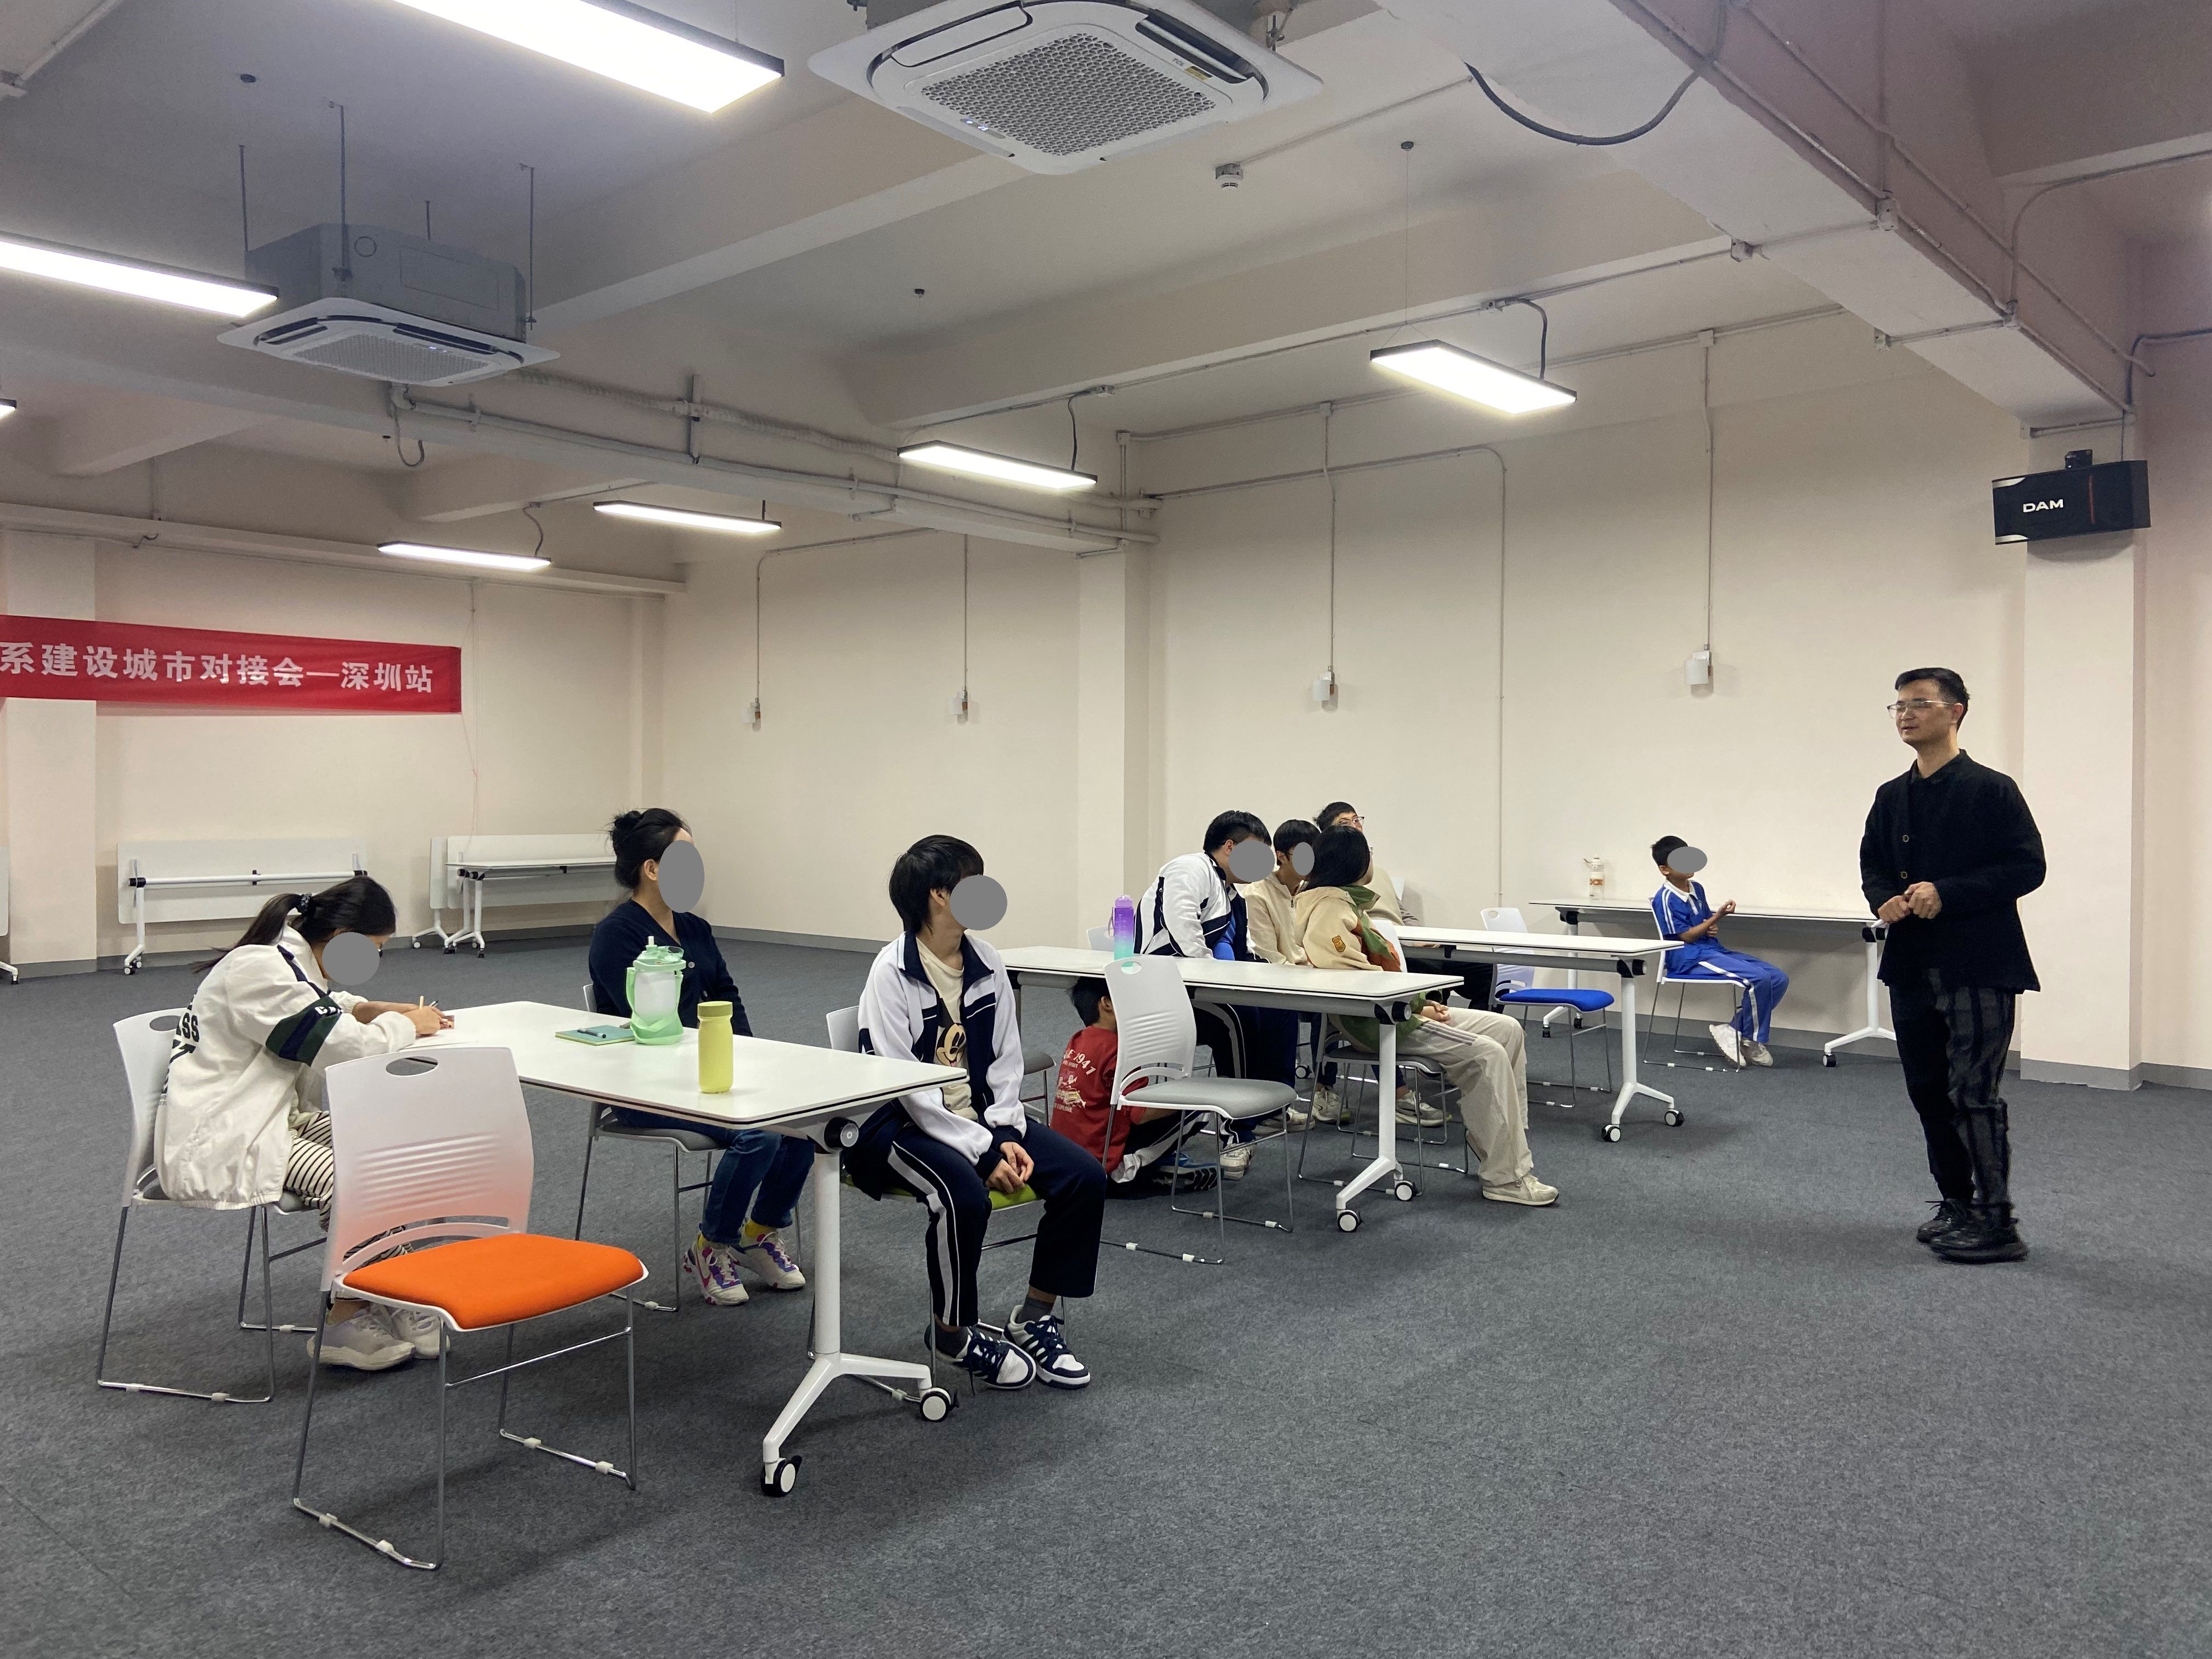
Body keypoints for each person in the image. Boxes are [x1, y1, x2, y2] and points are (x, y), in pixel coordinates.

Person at [156, 876, 450, 1371]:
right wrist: (403, 1025)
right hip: (229, 1130)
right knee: (350, 1180)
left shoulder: (284, 959)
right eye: (375, 948)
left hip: (273, 1116)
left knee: (391, 1151)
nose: (376, 959)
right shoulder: (257, 969)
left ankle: (386, 1290)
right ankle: (353, 1314)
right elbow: (338, 1046)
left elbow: (319, 1004)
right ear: (341, 939)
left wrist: (370, 1008)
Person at [851, 835, 1108, 1390]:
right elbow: (906, 1088)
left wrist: (1006, 1129)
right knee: (963, 1197)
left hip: (981, 1119)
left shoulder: (987, 961)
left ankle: (1035, 1316)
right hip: (898, 1125)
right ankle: (951, 1333)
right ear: (940, 895)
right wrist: (983, 1152)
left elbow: (1006, 1060)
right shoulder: (891, 973)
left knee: (1083, 1176)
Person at [588, 809, 809, 1305]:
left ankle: (758, 1233)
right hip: (646, 1083)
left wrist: (747, 1054)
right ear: (652, 869)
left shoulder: (696, 929)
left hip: (710, 1072)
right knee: (758, 1135)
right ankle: (711, 1246)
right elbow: (646, 1019)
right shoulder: (617, 934)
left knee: (801, 1124)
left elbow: (727, 996)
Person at [1861, 668, 2044, 1266]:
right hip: (1913, 965)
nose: (1906, 715)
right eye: (1898, 706)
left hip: (1979, 964)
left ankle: (1997, 1220)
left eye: (1919, 704)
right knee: (1928, 1092)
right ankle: (1957, 1205)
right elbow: (1872, 864)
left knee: (1973, 1092)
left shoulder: (1992, 790)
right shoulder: (1891, 796)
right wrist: (1883, 899)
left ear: (1956, 711)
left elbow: (2027, 867)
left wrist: (1949, 893)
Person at [1295, 826, 1558, 1207]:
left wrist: (1419, 1004)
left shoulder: (1346, 904)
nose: (1372, 858)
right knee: (1486, 1054)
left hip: (1398, 1010)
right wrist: (1418, 1007)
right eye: (1368, 852)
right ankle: (1506, 1177)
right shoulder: (1329, 911)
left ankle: (1500, 1143)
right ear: (1353, 862)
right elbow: (1354, 978)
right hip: (1378, 1022)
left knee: (1508, 1029)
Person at [1137, 810, 1301, 1178]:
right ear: (1230, 847)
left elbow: (1242, 953)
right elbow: (1182, 933)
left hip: (1199, 990)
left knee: (1280, 1010)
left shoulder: (1230, 894)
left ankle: (1269, 1109)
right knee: (1237, 1019)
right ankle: (1237, 1134)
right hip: (1164, 993)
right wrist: (1223, 980)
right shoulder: (1190, 869)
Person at [1051, 976, 1213, 1197]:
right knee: (1199, 1107)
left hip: (1068, 1159)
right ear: (1107, 1004)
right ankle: (1132, 1169)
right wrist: (1185, 1098)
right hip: (1103, 1167)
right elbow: (1139, 1114)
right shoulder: (1119, 1049)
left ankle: (1157, 1163)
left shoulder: (1078, 1039)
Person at [1649, 835, 1790, 1068]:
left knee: (1777, 978)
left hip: (1710, 950)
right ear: (1665, 869)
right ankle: (1749, 1038)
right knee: (1758, 978)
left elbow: (1703, 924)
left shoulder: (1697, 889)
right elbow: (1687, 936)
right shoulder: (1665, 898)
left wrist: (1710, 926)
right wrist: (1718, 917)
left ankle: (1735, 1030)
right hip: (1688, 958)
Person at [1239, 819, 1317, 968]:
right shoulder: (1256, 895)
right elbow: (1269, 957)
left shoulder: (1312, 891)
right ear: (1281, 857)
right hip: (1282, 976)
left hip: (1317, 973)